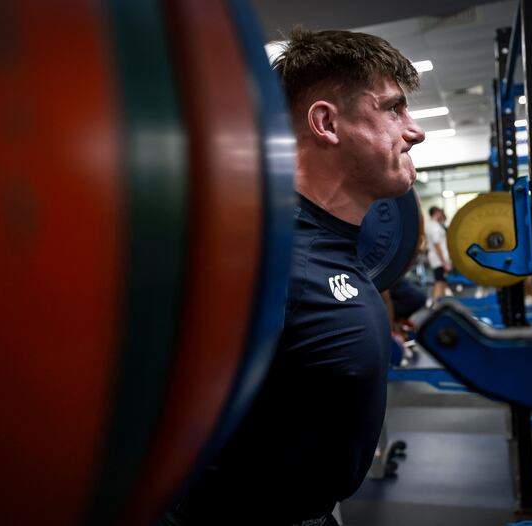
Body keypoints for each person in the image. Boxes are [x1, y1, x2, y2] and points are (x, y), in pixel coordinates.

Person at [160, 27, 425, 526]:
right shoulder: (265, 265)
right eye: (392, 108)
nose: (414, 130)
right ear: (326, 123)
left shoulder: (335, 245)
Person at [426, 206, 451, 301]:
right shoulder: (435, 227)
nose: (442, 214)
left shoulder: (431, 225)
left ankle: (441, 304)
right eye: (440, 212)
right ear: (436, 212)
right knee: (439, 281)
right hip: (438, 259)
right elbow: (437, 245)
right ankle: (436, 305)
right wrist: (444, 262)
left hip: (437, 258)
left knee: (442, 281)